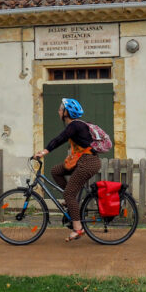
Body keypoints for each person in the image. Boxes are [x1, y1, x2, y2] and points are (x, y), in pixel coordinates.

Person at [34, 98, 101, 241]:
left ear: (66, 112)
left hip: (88, 163)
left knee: (69, 195)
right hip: (81, 161)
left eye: (60, 108)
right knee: (55, 171)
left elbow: (59, 139)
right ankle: (70, 199)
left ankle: (78, 229)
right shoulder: (76, 126)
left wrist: (44, 152)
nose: (58, 111)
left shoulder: (74, 125)